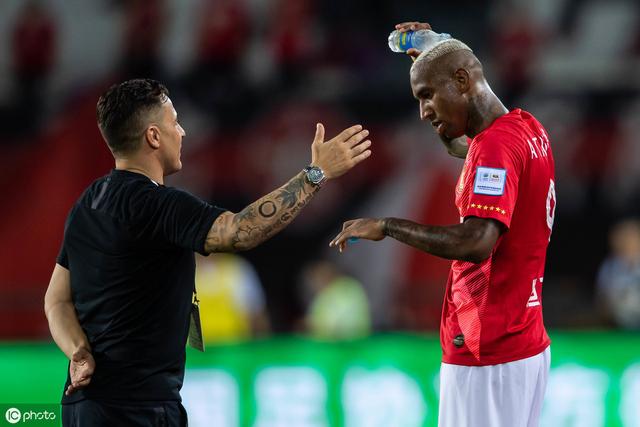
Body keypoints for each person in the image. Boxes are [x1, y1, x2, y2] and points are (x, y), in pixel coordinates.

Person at [43, 78, 371, 426]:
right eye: (174, 123)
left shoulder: (88, 203)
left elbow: (56, 300)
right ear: (153, 136)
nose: (182, 132)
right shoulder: (157, 204)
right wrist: (316, 174)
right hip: (137, 407)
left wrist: (79, 351)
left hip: (83, 403)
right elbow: (239, 231)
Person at [330, 21, 556, 427]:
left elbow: (477, 240)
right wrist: (438, 47)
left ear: (462, 80)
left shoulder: (495, 147)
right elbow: (462, 147)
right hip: (523, 342)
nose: (423, 112)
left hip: (488, 350)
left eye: (427, 95)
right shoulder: (525, 129)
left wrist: (388, 227)